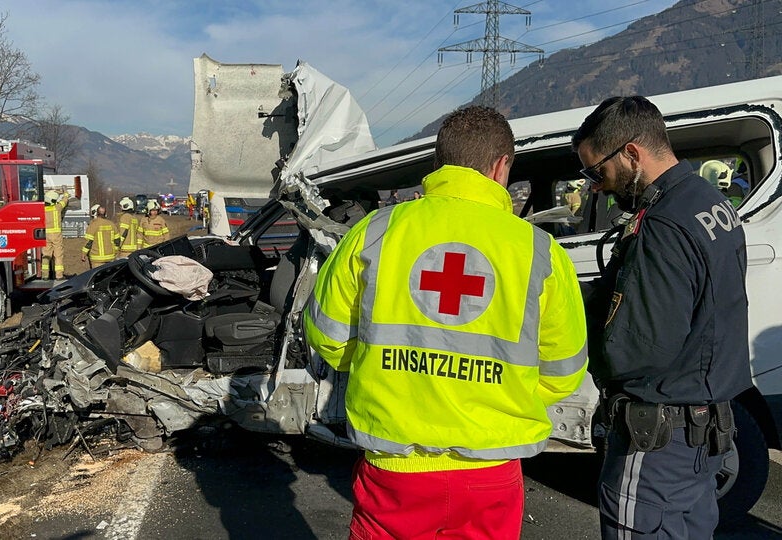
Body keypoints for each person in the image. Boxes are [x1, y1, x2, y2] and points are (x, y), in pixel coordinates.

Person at [304, 105, 588, 540]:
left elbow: (326, 336)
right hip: (491, 467)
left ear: (438, 164)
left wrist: (382, 368)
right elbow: (564, 370)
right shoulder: (540, 251)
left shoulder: (374, 233)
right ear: (500, 167)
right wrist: (501, 391)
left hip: (396, 466)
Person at [572, 95, 751, 540]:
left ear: (631, 154)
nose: (596, 186)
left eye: (598, 172)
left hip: (655, 441)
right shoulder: (709, 203)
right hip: (704, 432)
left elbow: (636, 349)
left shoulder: (663, 224)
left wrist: (577, 337)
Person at [42, 189, 71, 279]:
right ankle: (59, 275)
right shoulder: (57, 208)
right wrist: (65, 193)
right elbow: (64, 201)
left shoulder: (43, 210)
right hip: (56, 235)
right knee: (58, 255)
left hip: (46, 235)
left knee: (46, 255)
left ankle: (45, 275)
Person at [81, 204, 119, 268]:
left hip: (97, 259)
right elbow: (117, 241)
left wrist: (83, 253)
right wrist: (115, 251)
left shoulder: (93, 225)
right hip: (111, 257)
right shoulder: (112, 224)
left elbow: (88, 242)